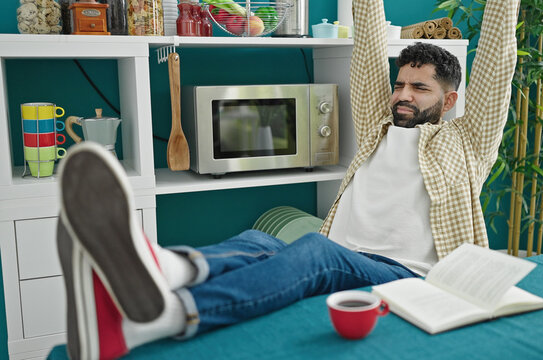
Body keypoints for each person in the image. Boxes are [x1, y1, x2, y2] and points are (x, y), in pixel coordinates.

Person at [56, 0, 519, 358]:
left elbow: (498, 56)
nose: (402, 95)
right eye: (399, 84)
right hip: (347, 254)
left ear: (451, 99)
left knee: (316, 251)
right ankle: (164, 268)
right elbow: (370, 39)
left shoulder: (467, 142)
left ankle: (171, 314)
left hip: (405, 275)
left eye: (420, 88)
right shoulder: (377, 122)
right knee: (263, 240)